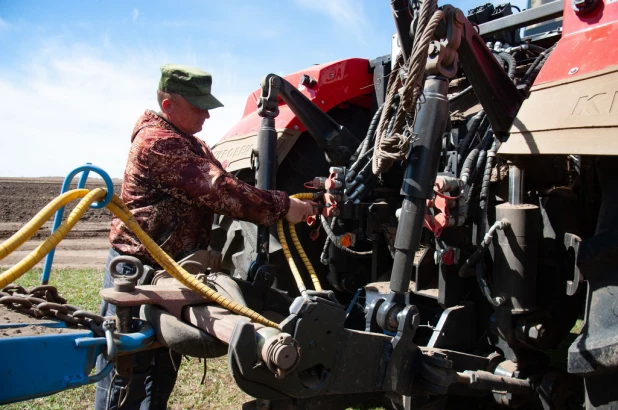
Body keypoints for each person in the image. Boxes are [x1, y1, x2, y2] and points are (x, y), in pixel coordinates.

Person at [95, 64, 315, 410]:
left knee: (162, 368)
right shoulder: (158, 142)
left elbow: (232, 183)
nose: (207, 115)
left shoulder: (192, 144)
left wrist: (298, 197)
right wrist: (283, 206)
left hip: (174, 271)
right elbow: (220, 191)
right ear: (168, 104)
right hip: (139, 271)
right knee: (127, 373)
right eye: (198, 106)